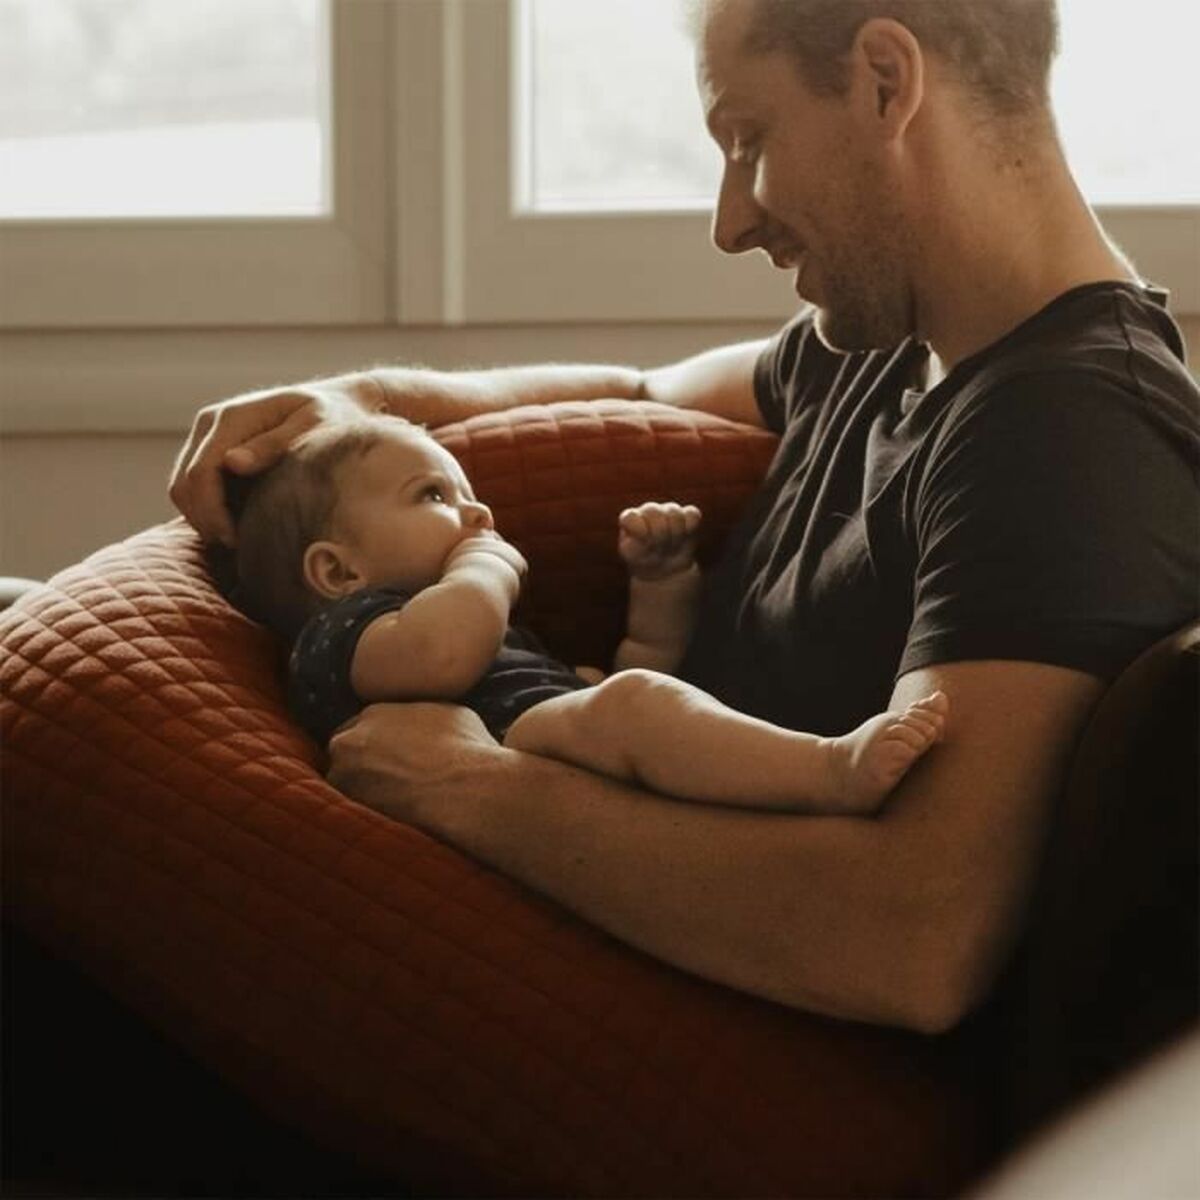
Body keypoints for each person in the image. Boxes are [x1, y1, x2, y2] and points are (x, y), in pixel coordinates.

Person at [170, 0, 1199, 1032]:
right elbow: (639, 390)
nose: (730, 220)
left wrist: (468, 787)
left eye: (748, 141)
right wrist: (367, 404)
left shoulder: (1069, 428)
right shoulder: (888, 342)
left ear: (888, 81)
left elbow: (915, 935)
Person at [230, 413, 948, 813]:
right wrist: (487, 563)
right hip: (518, 764)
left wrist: (661, 585)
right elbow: (441, 657)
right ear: (336, 570)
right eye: (433, 497)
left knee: (634, 696)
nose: (477, 512)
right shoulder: (344, 634)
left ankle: (799, 781)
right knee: (630, 705)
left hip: (571, 755)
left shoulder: (485, 629)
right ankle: (829, 772)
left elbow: (643, 667)